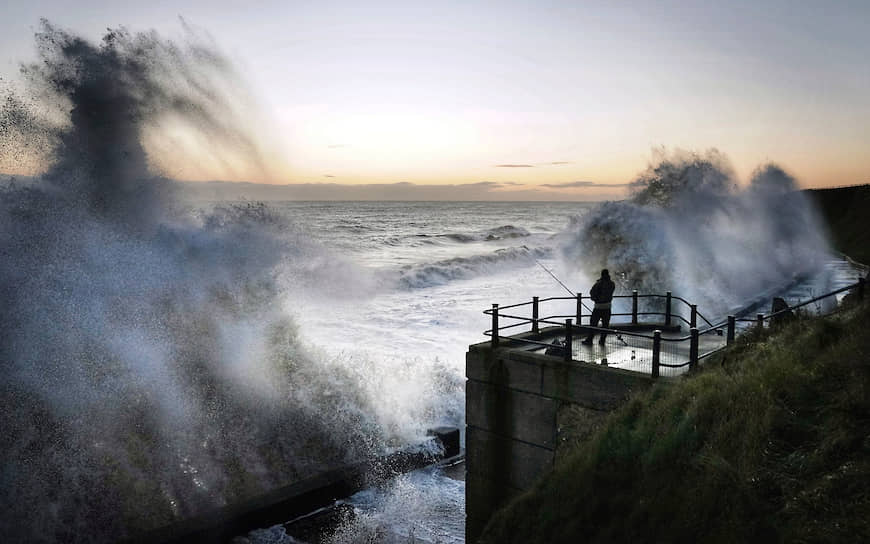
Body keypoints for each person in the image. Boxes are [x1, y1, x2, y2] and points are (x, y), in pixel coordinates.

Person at [582, 269, 615, 345]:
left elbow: (592, 293)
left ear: (602, 275)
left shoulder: (598, 284)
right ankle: (602, 341)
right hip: (608, 307)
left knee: (593, 324)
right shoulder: (612, 284)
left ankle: (589, 340)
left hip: (598, 307)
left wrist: (595, 299)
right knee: (605, 325)